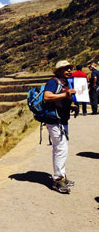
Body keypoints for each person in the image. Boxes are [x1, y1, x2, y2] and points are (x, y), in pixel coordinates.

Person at [44, 60, 77, 193]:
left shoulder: (63, 82)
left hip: (61, 120)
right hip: (54, 121)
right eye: (65, 68)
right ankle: (58, 180)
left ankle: (61, 176)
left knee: (62, 148)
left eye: (70, 68)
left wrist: (71, 105)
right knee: (60, 149)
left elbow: (60, 99)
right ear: (58, 71)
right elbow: (47, 96)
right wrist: (66, 94)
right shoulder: (54, 82)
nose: (69, 70)